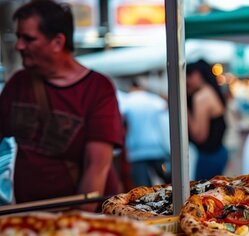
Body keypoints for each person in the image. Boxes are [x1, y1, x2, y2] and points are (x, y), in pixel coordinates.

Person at [0, 0, 124, 209]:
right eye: (19, 37)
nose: (19, 46)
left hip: (77, 217)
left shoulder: (97, 89)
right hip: (25, 215)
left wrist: (77, 225)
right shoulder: (17, 83)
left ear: (57, 42)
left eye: (28, 39)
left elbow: (97, 167)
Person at [120, 78, 170, 186]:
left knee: (142, 187)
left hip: (135, 150)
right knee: (168, 181)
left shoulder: (126, 101)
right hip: (156, 147)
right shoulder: (153, 99)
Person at [186, 59, 228, 180]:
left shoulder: (201, 97)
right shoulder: (210, 91)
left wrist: (183, 110)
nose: (187, 81)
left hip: (209, 156)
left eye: (189, 75)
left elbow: (200, 136)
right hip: (218, 152)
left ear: (199, 74)